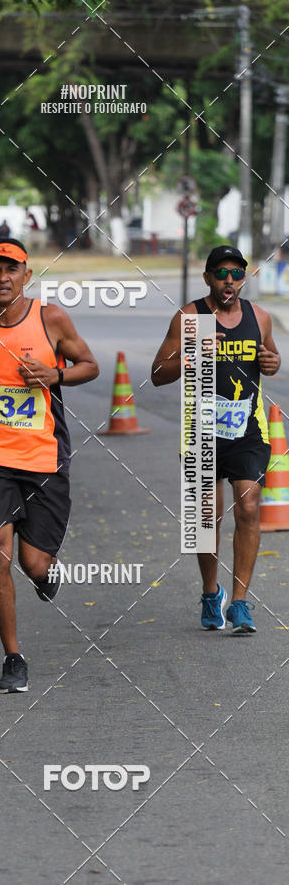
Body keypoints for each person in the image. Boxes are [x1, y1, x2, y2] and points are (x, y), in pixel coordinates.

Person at [0, 238, 99, 692]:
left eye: (12, 269)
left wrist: (57, 375)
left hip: (44, 454)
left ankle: (46, 571)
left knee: (32, 564)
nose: (3, 277)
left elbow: (90, 365)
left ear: (26, 275)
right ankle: (13, 657)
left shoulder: (50, 319)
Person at [152, 245, 281, 634]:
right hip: (201, 432)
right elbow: (158, 372)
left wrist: (272, 362)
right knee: (206, 520)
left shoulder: (259, 316)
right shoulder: (191, 317)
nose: (229, 281)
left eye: (237, 274)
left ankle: (240, 603)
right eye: (221, 273)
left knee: (249, 506)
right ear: (208, 277)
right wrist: (192, 354)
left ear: (244, 278)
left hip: (247, 430)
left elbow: (269, 359)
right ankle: (212, 592)